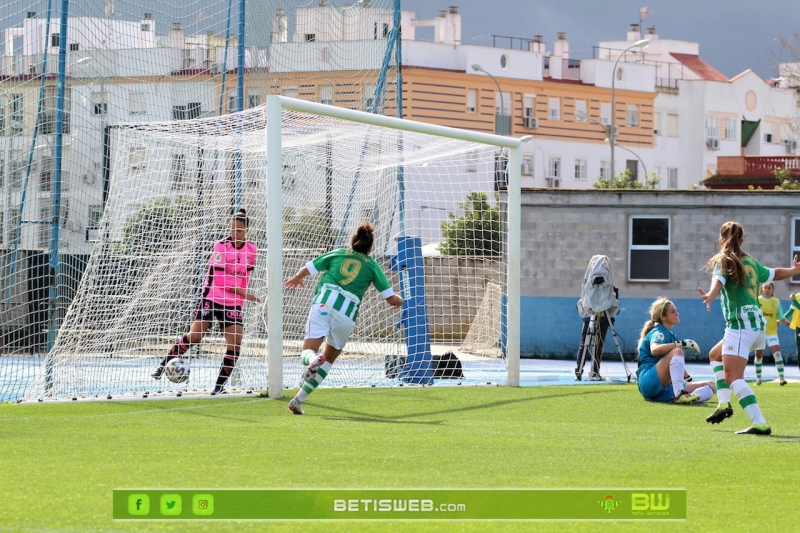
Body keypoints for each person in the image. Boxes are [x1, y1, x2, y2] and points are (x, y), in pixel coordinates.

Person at [284, 221, 403, 415]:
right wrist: (400, 299)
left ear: (353, 241)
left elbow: (310, 267)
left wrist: (298, 277)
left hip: (324, 305)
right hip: (346, 316)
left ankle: (313, 360)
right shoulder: (372, 266)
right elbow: (391, 299)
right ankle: (297, 401)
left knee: (308, 351)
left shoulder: (338, 253)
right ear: (370, 247)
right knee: (328, 361)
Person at [699, 221, 800, 435]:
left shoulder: (724, 260)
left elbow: (718, 279)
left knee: (734, 378)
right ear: (742, 241)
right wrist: (794, 270)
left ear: (721, 241)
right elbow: (775, 273)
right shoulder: (751, 261)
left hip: (739, 327)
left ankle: (760, 422)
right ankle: (723, 404)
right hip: (757, 328)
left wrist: (711, 294)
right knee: (715, 355)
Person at [151, 209, 260, 394]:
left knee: (235, 345)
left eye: (239, 231)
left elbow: (245, 278)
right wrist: (246, 294)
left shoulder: (252, 250)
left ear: (247, 231)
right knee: (196, 336)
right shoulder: (221, 245)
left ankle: (218, 388)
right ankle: (163, 366)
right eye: (232, 229)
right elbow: (220, 280)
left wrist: (240, 301)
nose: (235, 233)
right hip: (212, 297)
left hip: (233, 302)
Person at [636, 297, 716, 404]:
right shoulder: (658, 331)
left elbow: (676, 366)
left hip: (664, 387)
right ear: (662, 316)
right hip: (648, 383)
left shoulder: (672, 335)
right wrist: (681, 344)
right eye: (673, 311)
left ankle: (687, 398)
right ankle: (679, 394)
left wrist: (689, 380)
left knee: (712, 385)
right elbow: (654, 350)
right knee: (678, 351)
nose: (677, 313)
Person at [754, 282, 789, 386]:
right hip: (759, 332)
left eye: (769, 288)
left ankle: (782, 378)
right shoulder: (757, 300)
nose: (767, 290)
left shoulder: (776, 302)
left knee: (777, 353)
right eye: (765, 288)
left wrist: (785, 321)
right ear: (762, 289)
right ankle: (758, 379)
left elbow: (781, 315)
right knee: (759, 356)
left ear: (773, 290)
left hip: (771, 332)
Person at [783, 292, 800, 376]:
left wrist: (794, 300)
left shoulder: (795, 298)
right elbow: (791, 310)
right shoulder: (797, 296)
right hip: (798, 327)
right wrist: (782, 319)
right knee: (799, 351)